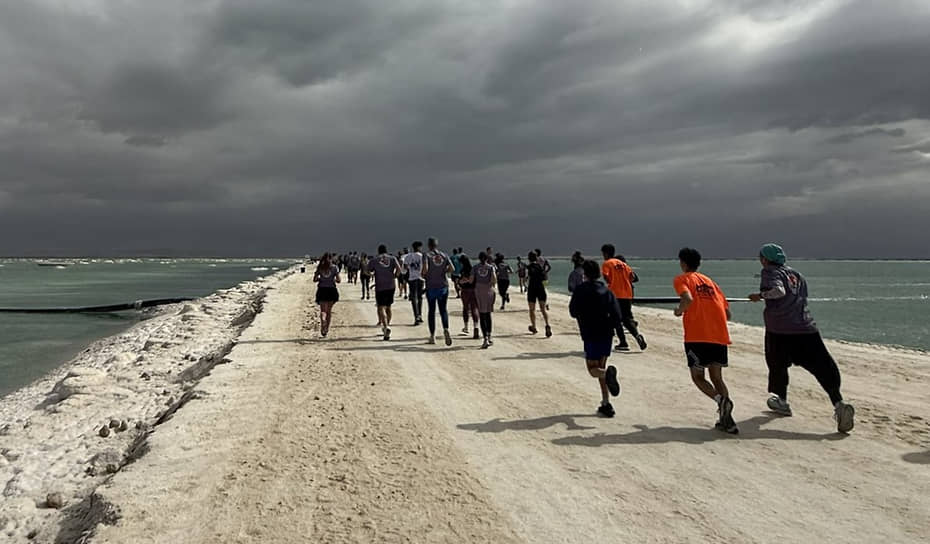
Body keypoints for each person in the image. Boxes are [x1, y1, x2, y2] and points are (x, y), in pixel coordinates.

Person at [748, 243, 855, 433]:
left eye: (761, 257)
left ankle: (781, 400)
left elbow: (778, 291)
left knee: (777, 364)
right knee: (823, 367)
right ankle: (838, 403)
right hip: (806, 328)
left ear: (765, 259)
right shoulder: (797, 275)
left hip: (780, 330)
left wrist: (761, 295)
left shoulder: (769, 272)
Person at [674, 248, 738, 434]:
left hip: (697, 336)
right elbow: (727, 313)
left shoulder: (682, 279)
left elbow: (687, 298)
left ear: (683, 263)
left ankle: (721, 401)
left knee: (698, 377)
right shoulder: (711, 283)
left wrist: (679, 311)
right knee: (717, 377)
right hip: (718, 335)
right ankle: (728, 421)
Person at [569, 260, 623, 417]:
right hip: (606, 333)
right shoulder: (606, 291)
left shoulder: (580, 290)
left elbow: (573, 312)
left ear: (584, 274)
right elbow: (617, 315)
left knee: (594, 370)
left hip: (590, 333)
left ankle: (608, 376)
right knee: (601, 366)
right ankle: (606, 402)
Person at [601, 244, 647, 352]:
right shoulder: (624, 264)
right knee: (627, 319)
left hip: (615, 294)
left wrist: (612, 283)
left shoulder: (607, 264)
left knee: (616, 319)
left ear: (605, 253)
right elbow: (633, 277)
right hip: (627, 294)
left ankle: (623, 342)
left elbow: (606, 278)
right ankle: (637, 336)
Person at [422, 238, 454, 346]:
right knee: (443, 310)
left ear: (428, 245)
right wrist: (443, 271)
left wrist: (424, 274)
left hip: (431, 286)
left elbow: (425, 269)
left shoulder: (426, 255)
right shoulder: (444, 255)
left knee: (431, 311)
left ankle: (432, 336)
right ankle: (446, 329)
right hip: (443, 286)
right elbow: (452, 268)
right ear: (437, 244)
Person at [372, 245, 401, 340]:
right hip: (391, 285)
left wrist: (374, 274)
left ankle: (385, 326)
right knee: (389, 307)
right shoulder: (392, 258)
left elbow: (368, 271)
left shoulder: (375, 260)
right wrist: (395, 276)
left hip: (380, 286)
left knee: (381, 307)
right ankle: (387, 325)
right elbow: (399, 269)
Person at [473, 252, 498, 348]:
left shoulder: (475, 267)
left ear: (479, 258)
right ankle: (489, 335)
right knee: (488, 314)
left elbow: (471, 280)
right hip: (489, 291)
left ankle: (485, 338)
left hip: (479, 291)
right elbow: (494, 280)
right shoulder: (491, 267)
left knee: (482, 315)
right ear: (487, 259)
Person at [313, 253, 341, 338]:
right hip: (331, 290)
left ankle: (323, 323)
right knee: (329, 311)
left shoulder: (320, 267)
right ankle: (326, 329)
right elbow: (339, 280)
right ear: (331, 259)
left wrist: (320, 279)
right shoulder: (334, 267)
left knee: (323, 311)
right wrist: (333, 279)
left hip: (322, 290)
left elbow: (314, 279)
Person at [526, 252, 552, 337]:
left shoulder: (528, 267)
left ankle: (534, 326)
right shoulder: (540, 267)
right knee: (543, 309)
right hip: (541, 288)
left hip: (532, 289)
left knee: (532, 309)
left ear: (529, 258)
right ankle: (547, 325)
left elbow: (527, 278)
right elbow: (544, 279)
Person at [458, 254, 480, 339]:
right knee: (474, 308)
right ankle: (476, 326)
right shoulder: (473, 269)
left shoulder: (462, 270)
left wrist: (461, 282)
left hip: (465, 291)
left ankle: (466, 327)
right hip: (474, 290)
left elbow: (460, 282)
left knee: (465, 308)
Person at [404, 241, 426, 325]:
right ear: (419, 247)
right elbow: (425, 267)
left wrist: (410, 268)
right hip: (420, 278)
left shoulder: (408, 256)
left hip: (412, 278)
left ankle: (416, 316)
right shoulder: (422, 256)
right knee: (420, 297)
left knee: (413, 298)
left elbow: (405, 267)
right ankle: (420, 315)